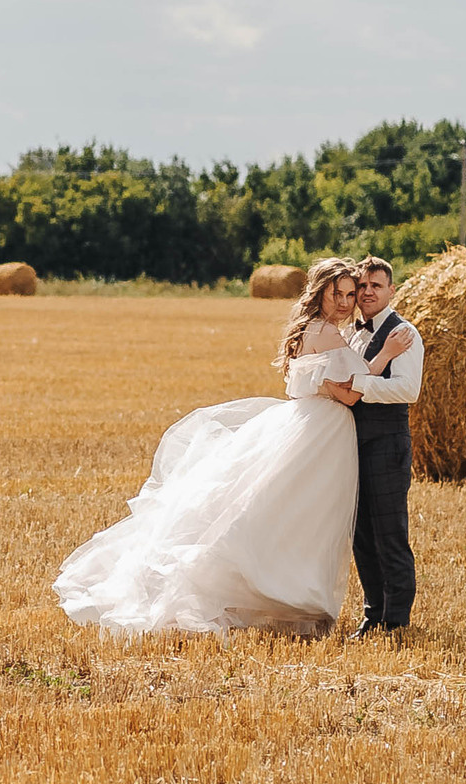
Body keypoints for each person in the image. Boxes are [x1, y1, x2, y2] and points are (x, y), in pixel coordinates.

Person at [54, 256, 406, 637]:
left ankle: (280, 595)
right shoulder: (330, 334)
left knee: (280, 512)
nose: (345, 301)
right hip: (322, 433)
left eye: (351, 294)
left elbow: (332, 383)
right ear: (319, 293)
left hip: (306, 425)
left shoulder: (310, 328)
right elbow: (352, 393)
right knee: (301, 518)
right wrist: (386, 354)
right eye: (336, 293)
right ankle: (282, 595)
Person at [319, 255, 422, 638]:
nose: (366, 293)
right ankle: (372, 613)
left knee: (389, 532)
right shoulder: (353, 333)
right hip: (352, 447)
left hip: (387, 444)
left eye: (375, 286)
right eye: (361, 286)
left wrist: (360, 385)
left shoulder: (404, 333)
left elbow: (408, 389)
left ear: (391, 290)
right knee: (361, 533)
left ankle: (395, 619)